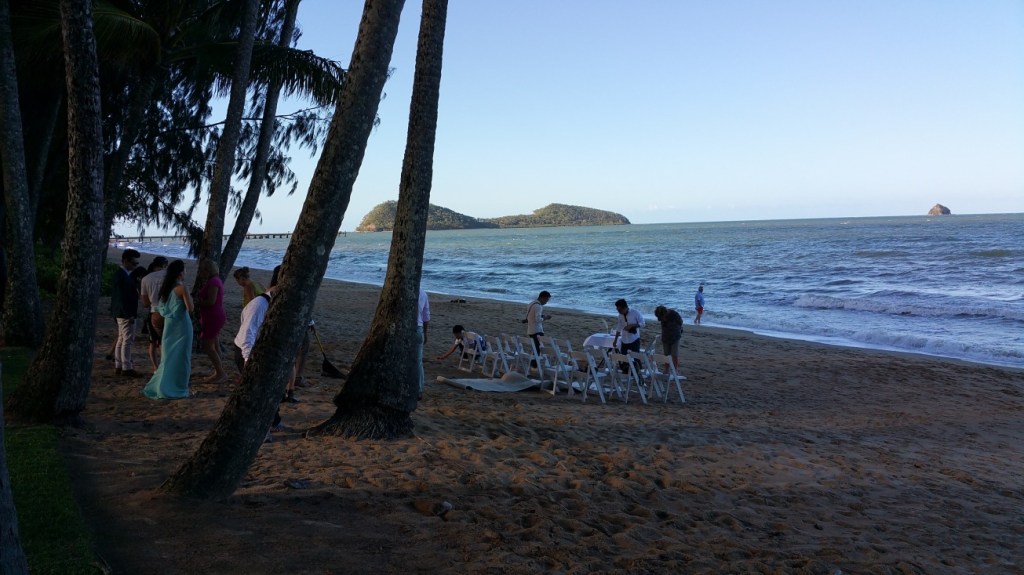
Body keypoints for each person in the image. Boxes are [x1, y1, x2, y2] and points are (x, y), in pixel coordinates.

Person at [233, 265, 283, 435]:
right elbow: (247, 334)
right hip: (246, 351)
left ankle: (274, 422)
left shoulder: (275, 301)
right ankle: (261, 428)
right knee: (257, 394)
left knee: (269, 391)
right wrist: (249, 362)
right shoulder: (259, 305)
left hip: (260, 350)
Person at [142, 260, 194, 399]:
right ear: (180, 272)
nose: (186, 273)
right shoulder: (182, 288)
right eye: (185, 270)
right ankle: (179, 387)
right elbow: (190, 309)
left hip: (170, 325)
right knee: (182, 357)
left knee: (169, 356)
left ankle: (164, 385)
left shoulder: (167, 287)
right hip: (182, 325)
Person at [195, 258, 228, 383]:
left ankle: (220, 372)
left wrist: (198, 302)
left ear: (207, 270)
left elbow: (211, 301)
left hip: (213, 316)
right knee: (215, 344)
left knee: (208, 346)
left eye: (202, 270)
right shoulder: (213, 280)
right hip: (211, 315)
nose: (201, 273)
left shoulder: (214, 281)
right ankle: (218, 371)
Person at [110, 249, 142, 377]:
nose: (135, 267)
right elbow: (122, 297)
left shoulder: (122, 275)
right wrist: (129, 314)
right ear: (125, 261)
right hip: (125, 312)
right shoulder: (122, 276)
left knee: (122, 339)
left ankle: (119, 364)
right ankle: (126, 367)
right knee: (127, 340)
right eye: (134, 264)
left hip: (120, 312)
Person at [139, 256, 169, 372]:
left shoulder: (146, 279)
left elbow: (145, 303)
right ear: (165, 265)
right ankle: (164, 365)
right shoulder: (168, 276)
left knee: (153, 342)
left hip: (153, 311)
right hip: (167, 311)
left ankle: (155, 367)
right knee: (164, 341)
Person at [654, 305, 684, 369]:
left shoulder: (674, 314)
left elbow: (681, 322)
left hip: (675, 336)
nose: (661, 319)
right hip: (665, 336)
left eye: (662, 317)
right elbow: (660, 320)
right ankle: (666, 369)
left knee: (674, 354)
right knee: (666, 355)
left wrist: (672, 325)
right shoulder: (660, 316)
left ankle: (675, 370)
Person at [525, 290, 552, 356]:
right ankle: (534, 365)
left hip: (530, 329)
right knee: (537, 350)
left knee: (535, 349)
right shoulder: (538, 306)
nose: (546, 302)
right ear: (543, 298)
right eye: (546, 300)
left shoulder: (531, 304)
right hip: (537, 330)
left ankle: (533, 365)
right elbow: (538, 319)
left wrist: (542, 316)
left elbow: (532, 315)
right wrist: (546, 318)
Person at [417, 287, 430, 395]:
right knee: (418, 361)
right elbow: (426, 317)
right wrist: (425, 333)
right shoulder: (423, 294)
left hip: (409, 328)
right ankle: (419, 388)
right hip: (419, 327)